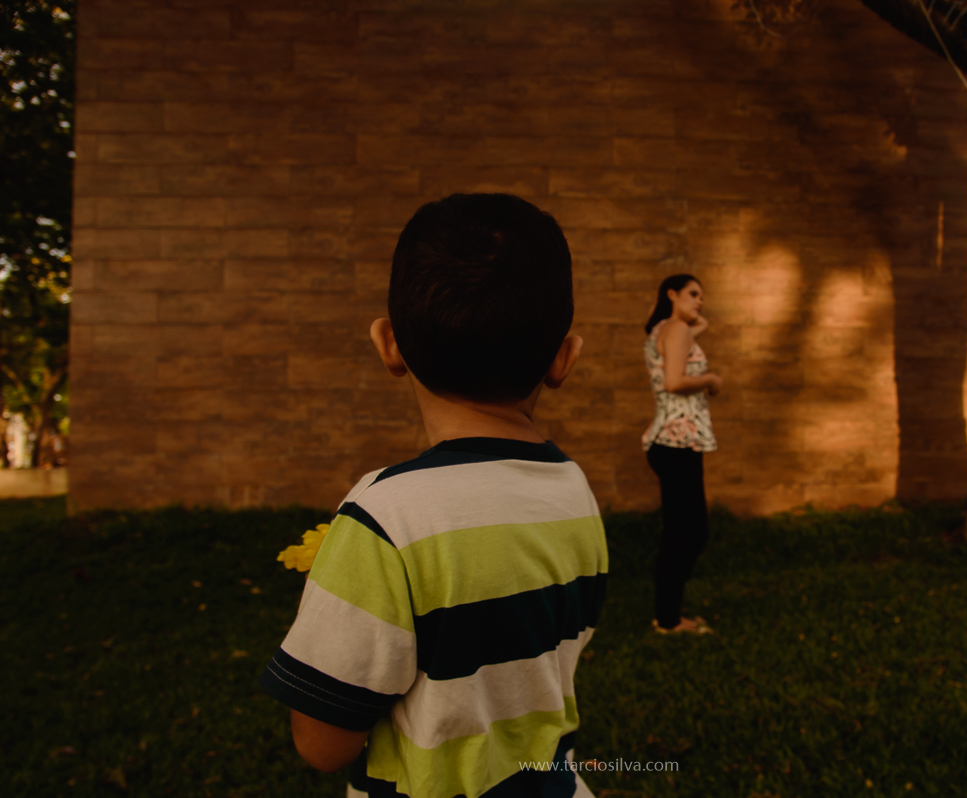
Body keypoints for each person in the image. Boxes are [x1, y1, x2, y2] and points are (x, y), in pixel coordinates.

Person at [259, 194, 607, 798]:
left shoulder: (384, 518)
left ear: (388, 345)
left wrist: (343, 583)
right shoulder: (574, 490)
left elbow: (322, 743)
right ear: (564, 358)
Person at [641, 274, 722, 635]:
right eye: (693, 293)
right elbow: (675, 382)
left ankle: (668, 613)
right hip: (677, 442)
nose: (700, 300)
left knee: (685, 531)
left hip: (674, 442)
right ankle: (669, 619)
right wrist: (711, 379)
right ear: (671, 294)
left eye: (703, 296)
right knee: (688, 533)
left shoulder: (667, 328)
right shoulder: (676, 329)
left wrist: (694, 320)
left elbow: (696, 328)